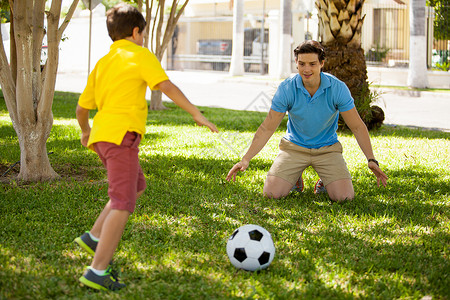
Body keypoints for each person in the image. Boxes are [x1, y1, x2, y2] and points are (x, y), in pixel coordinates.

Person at [74, 4, 218, 291]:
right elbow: (165, 85)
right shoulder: (140, 54)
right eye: (143, 33)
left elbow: (81, 107)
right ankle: (97, 272)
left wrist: (86, 131)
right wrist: (195, 113)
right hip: (121, 138)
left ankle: (92, 238)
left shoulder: (104, 61)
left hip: (103, 137)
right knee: (123, 203)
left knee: (136, 186)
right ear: (137, 31)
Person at [226, 40, 387, 201]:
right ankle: (295, 177)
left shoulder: (337, 88)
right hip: (294, 148)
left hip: (327, 149)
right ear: (296, 62)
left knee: (344, 197)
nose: (306, 69)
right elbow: (268, 127)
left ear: (322, 63)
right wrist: (246, 159)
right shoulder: (287, 88)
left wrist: (371, 159)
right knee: (271, 194)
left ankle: (325, 180)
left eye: (312, 64)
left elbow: (357, 126)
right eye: (302, 64)